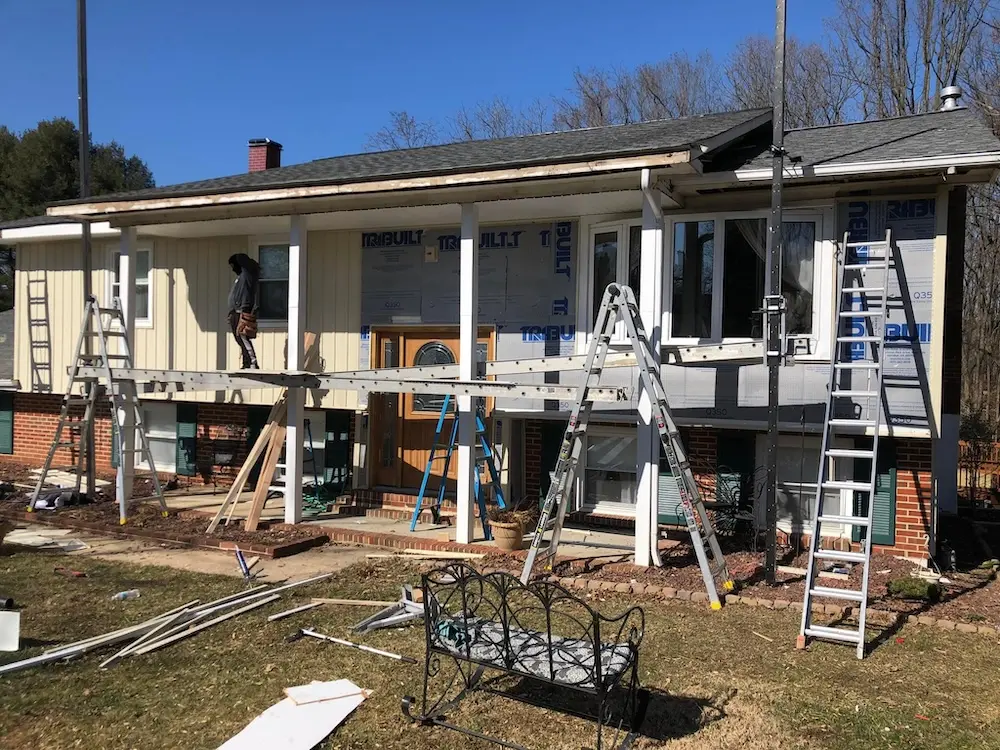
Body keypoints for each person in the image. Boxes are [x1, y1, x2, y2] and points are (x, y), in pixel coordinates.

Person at [227, 253, 260, 369]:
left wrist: (236, 258)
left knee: (243, 336)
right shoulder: (241, 277)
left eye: (233, 266)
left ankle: (252, 362)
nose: (233, 269)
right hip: (235, 311)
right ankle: (246, 362)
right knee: (239, 339)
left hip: (242, 310)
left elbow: (242, 259)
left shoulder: (248, 274)